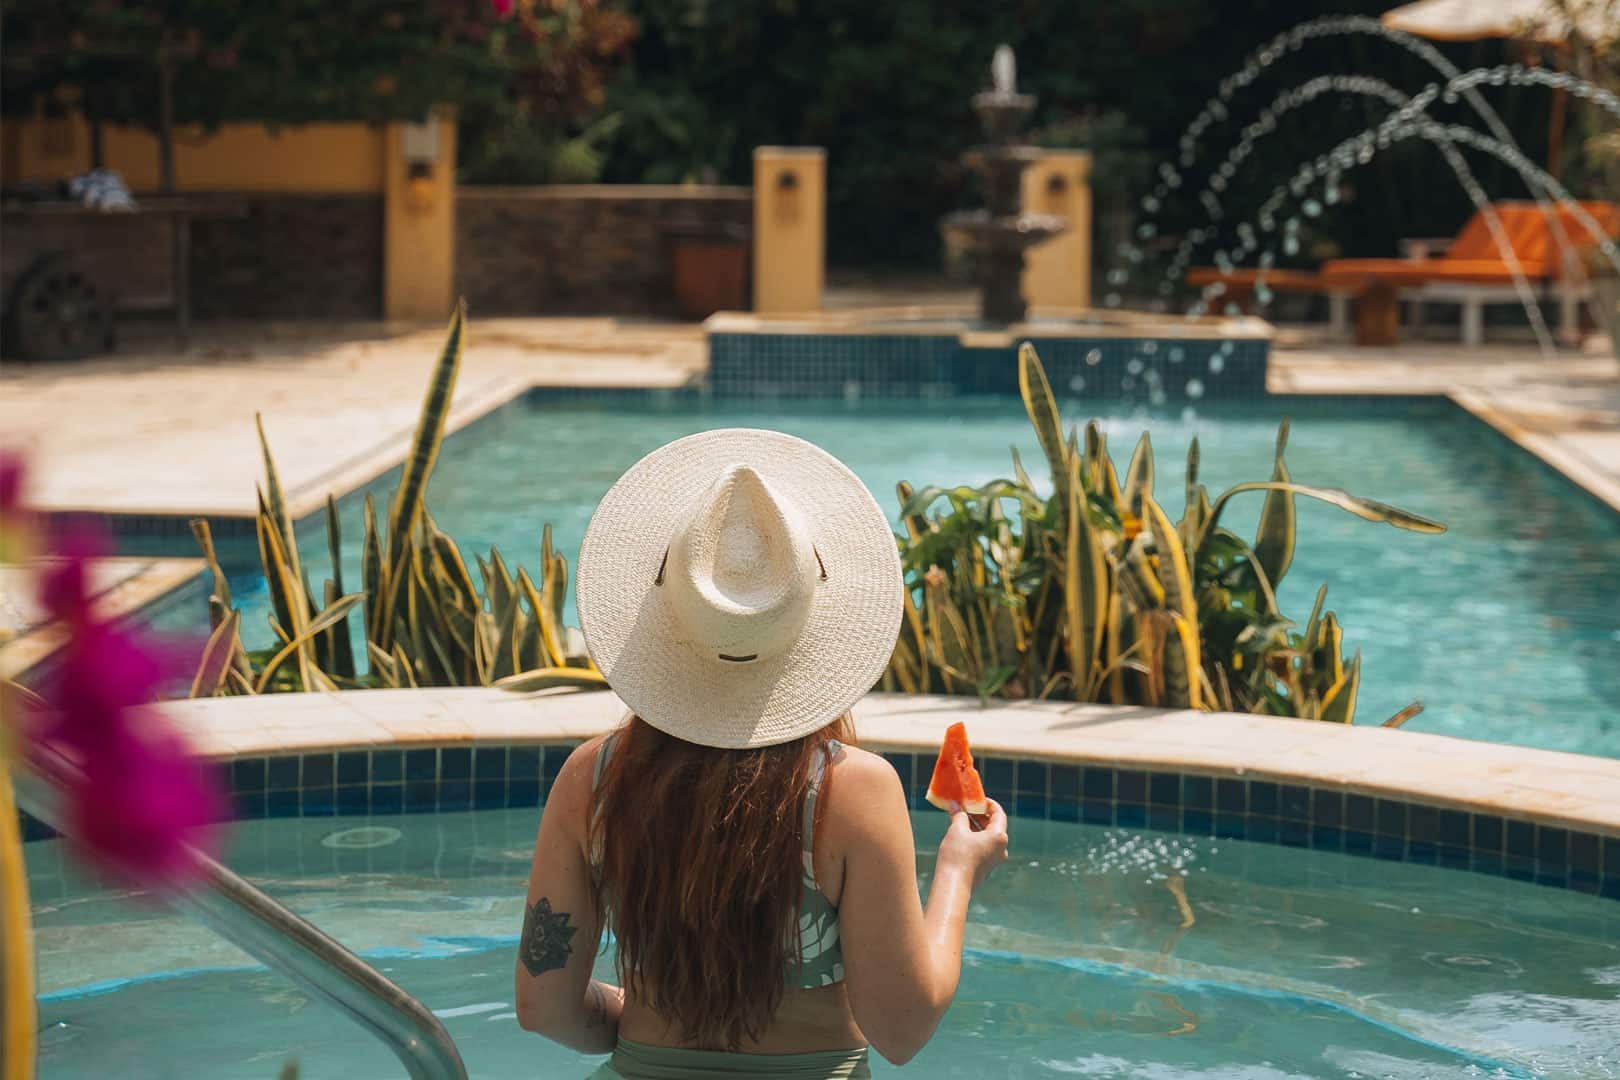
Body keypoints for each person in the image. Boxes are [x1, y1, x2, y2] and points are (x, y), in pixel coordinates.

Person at [513, 429, 1009, 1079]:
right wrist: (958, 871)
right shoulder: (852, 791)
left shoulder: (594, 779)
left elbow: (544, 1008)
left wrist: (636, 1021)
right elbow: (902, 1028)